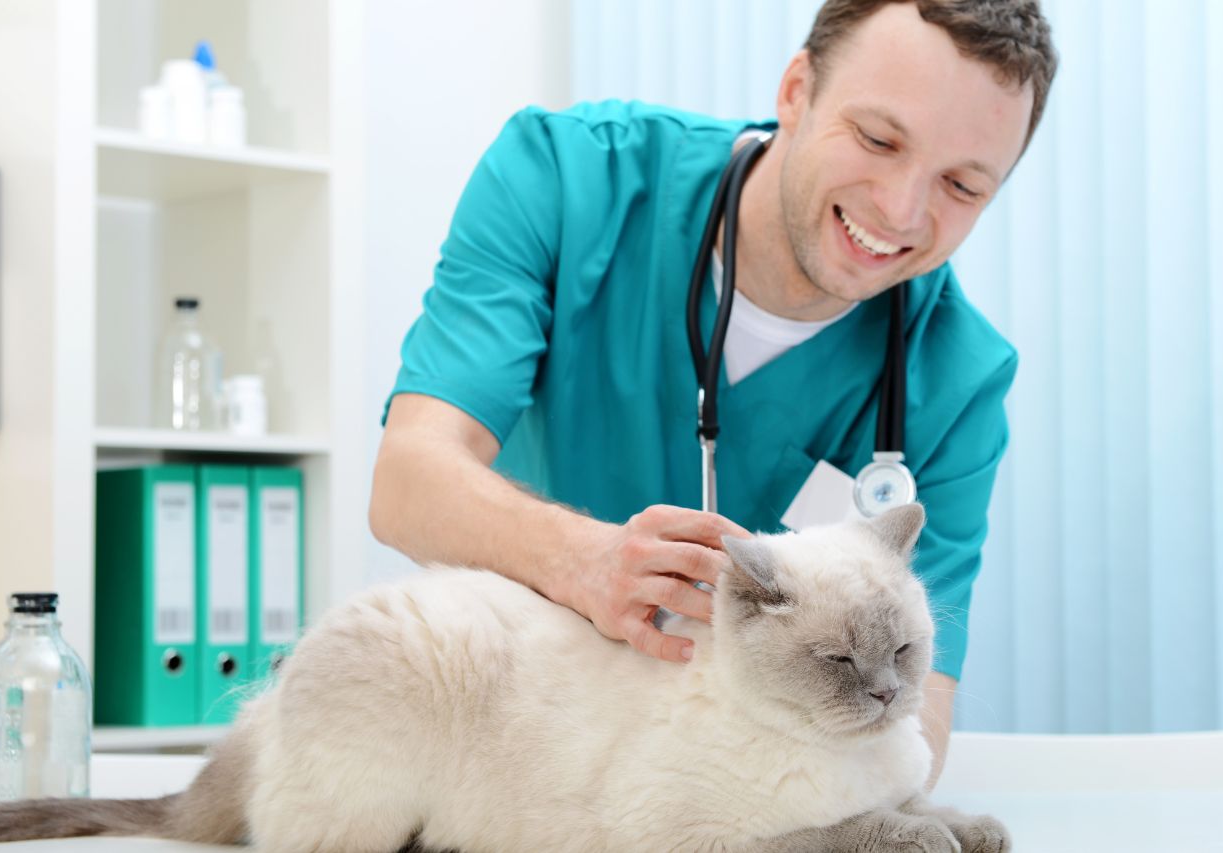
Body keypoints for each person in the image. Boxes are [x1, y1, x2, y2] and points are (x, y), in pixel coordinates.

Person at [370, 0, 1057, 788]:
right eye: (877, 138)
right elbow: (406, 481)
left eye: (963, 185)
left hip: (733, 793)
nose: (902, 211)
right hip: (513, 743)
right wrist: (584, 561)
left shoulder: (957, 378)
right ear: (797, 89)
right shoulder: (568, 179)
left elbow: (913, 729)